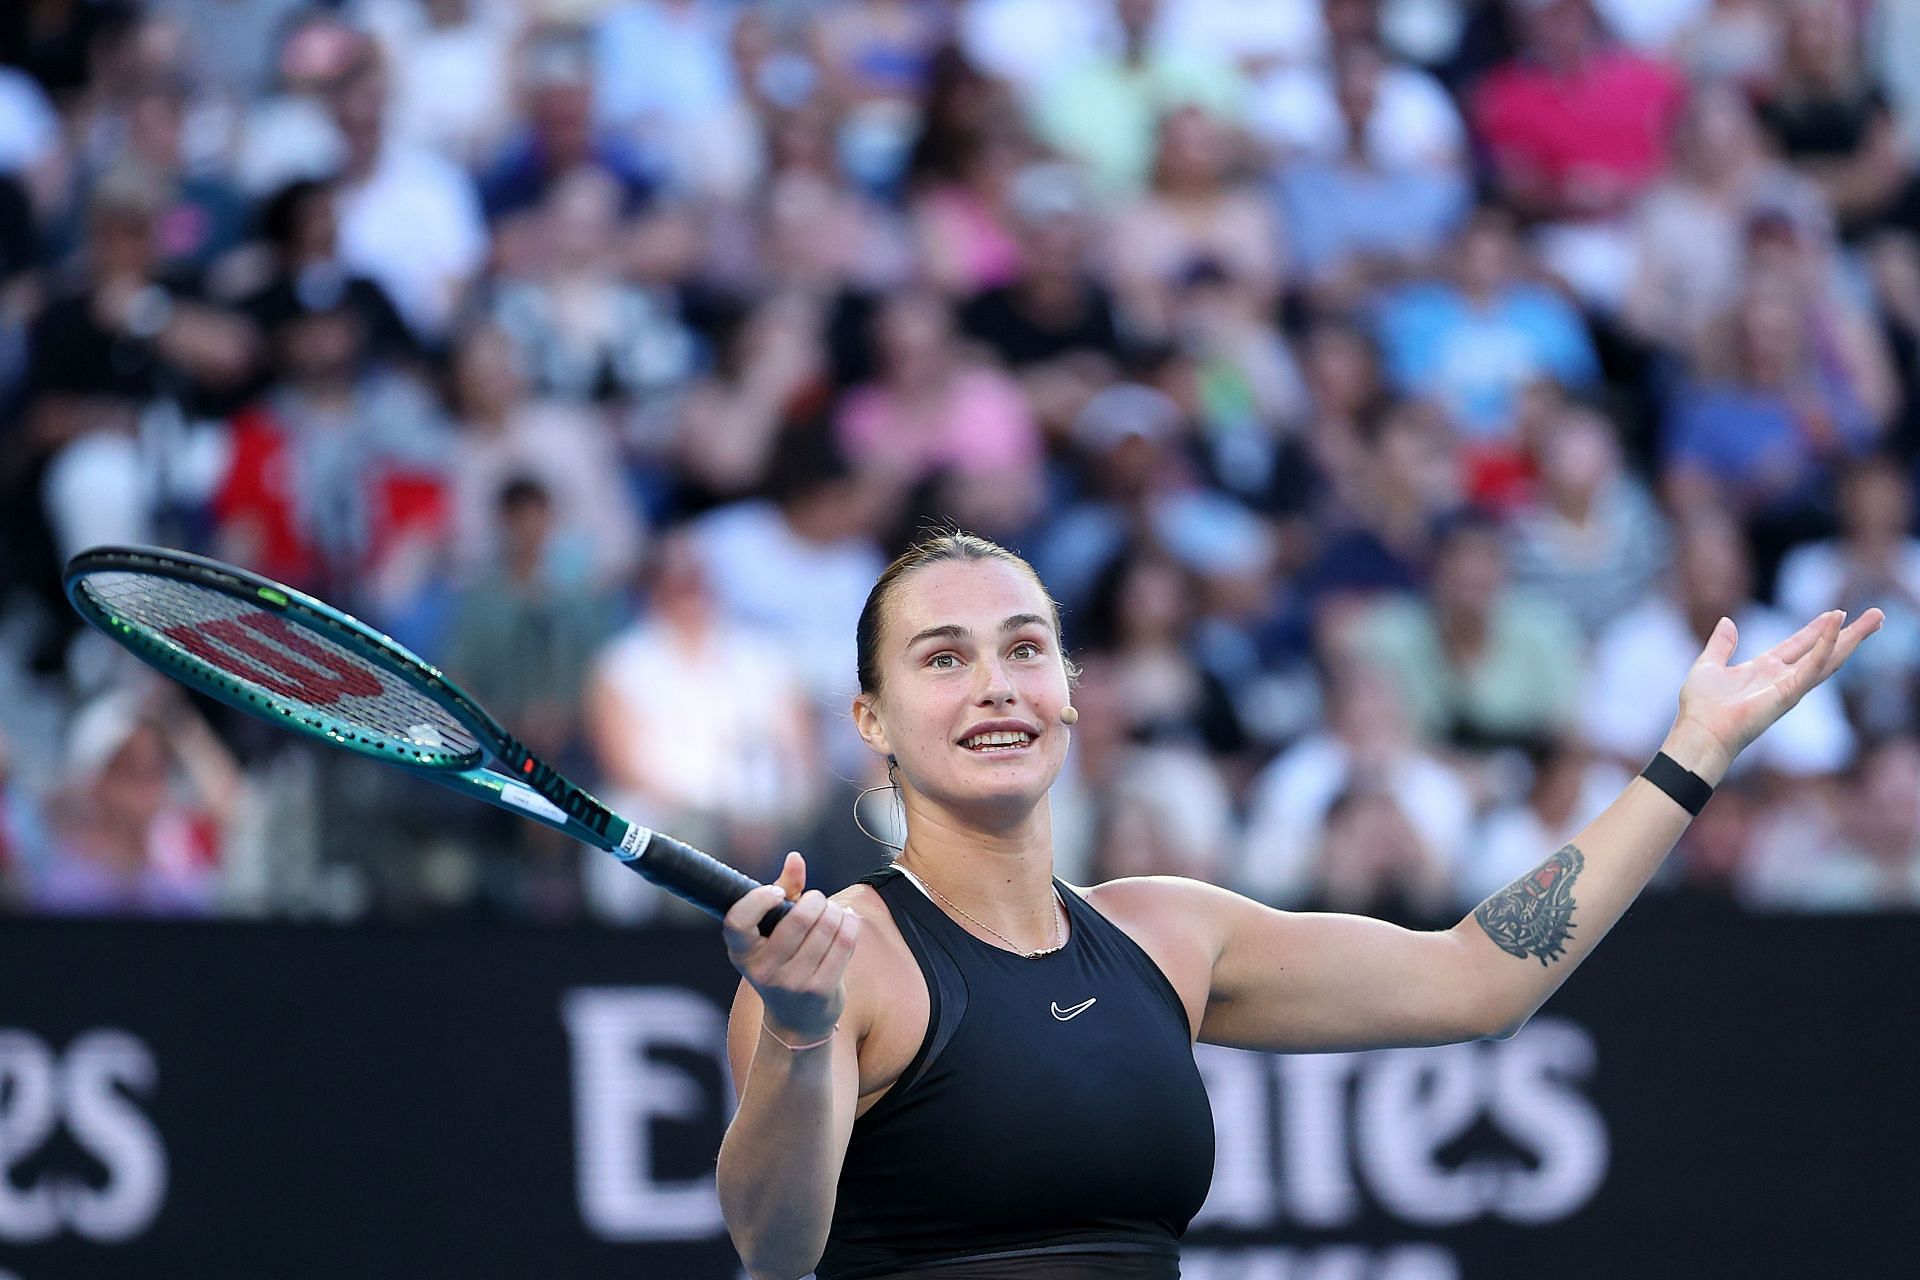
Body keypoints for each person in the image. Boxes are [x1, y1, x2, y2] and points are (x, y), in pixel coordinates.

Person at [714, 528, 1883, 1278]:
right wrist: (805, 1030)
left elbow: (1479, 976)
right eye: (942, 657)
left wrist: (1692, 749)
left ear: (1072, 692)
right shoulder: (840, 960)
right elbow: (773, 1249)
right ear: (871, 719)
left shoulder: (1169, 932)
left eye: (1025, 648)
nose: (994, 687)